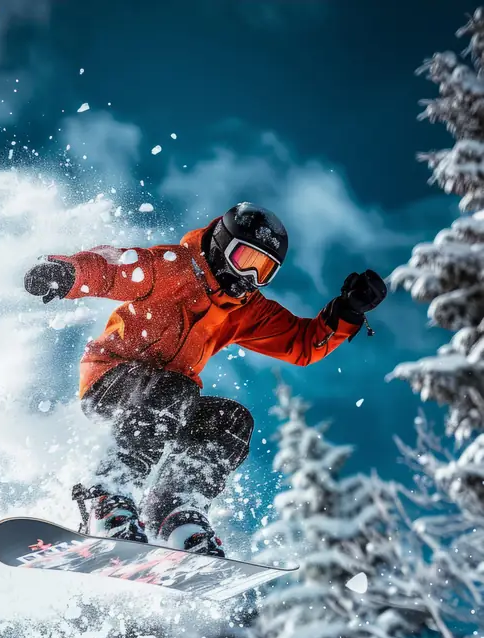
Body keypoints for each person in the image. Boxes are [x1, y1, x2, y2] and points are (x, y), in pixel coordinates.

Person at [24, 202, 386, 557]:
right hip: (111, 380)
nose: (249, 278)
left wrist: (347, 312)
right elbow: (113, 269)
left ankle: (175, 513)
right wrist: (68, 273)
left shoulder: (245, 309)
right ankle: (106, 496)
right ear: (220, 244)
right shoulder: (170, 268)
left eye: (264, 271)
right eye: (246, 260)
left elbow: (301, 345)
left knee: (230, 420)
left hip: (170, 402)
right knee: (173, 389)